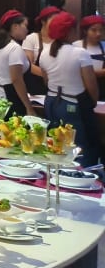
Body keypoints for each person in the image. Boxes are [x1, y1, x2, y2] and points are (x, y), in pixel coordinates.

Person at [39, 12, 100, 168]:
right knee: (79, 146)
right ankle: (79, 176)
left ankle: (55, 174)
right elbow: (91, 86)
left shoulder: (45, 52)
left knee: (56, 143)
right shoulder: (80, 53)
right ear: (70, 31)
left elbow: (46, 80)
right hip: (73, 103)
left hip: (51, 101)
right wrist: (91, 103)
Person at [0, 10, 32, 117]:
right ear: (15, 26)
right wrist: (28, 107)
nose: (27, 30)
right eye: (25, 25)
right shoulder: (15, 48)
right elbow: (16, 79)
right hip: (10, 100)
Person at [22, 5, 60, 96]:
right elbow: (29, 65)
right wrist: (49, 76)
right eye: (54, 20)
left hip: (56, 88)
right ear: (43, 21)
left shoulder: (59, 41)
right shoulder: (31, 38)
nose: (56, 23)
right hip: (36, 88)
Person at [74, 14, 105, 97]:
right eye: (94, 30)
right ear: (85, 31)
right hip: (81, 88)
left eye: (101, 30)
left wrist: (88, 73)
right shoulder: (76, 46)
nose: (98, 33)